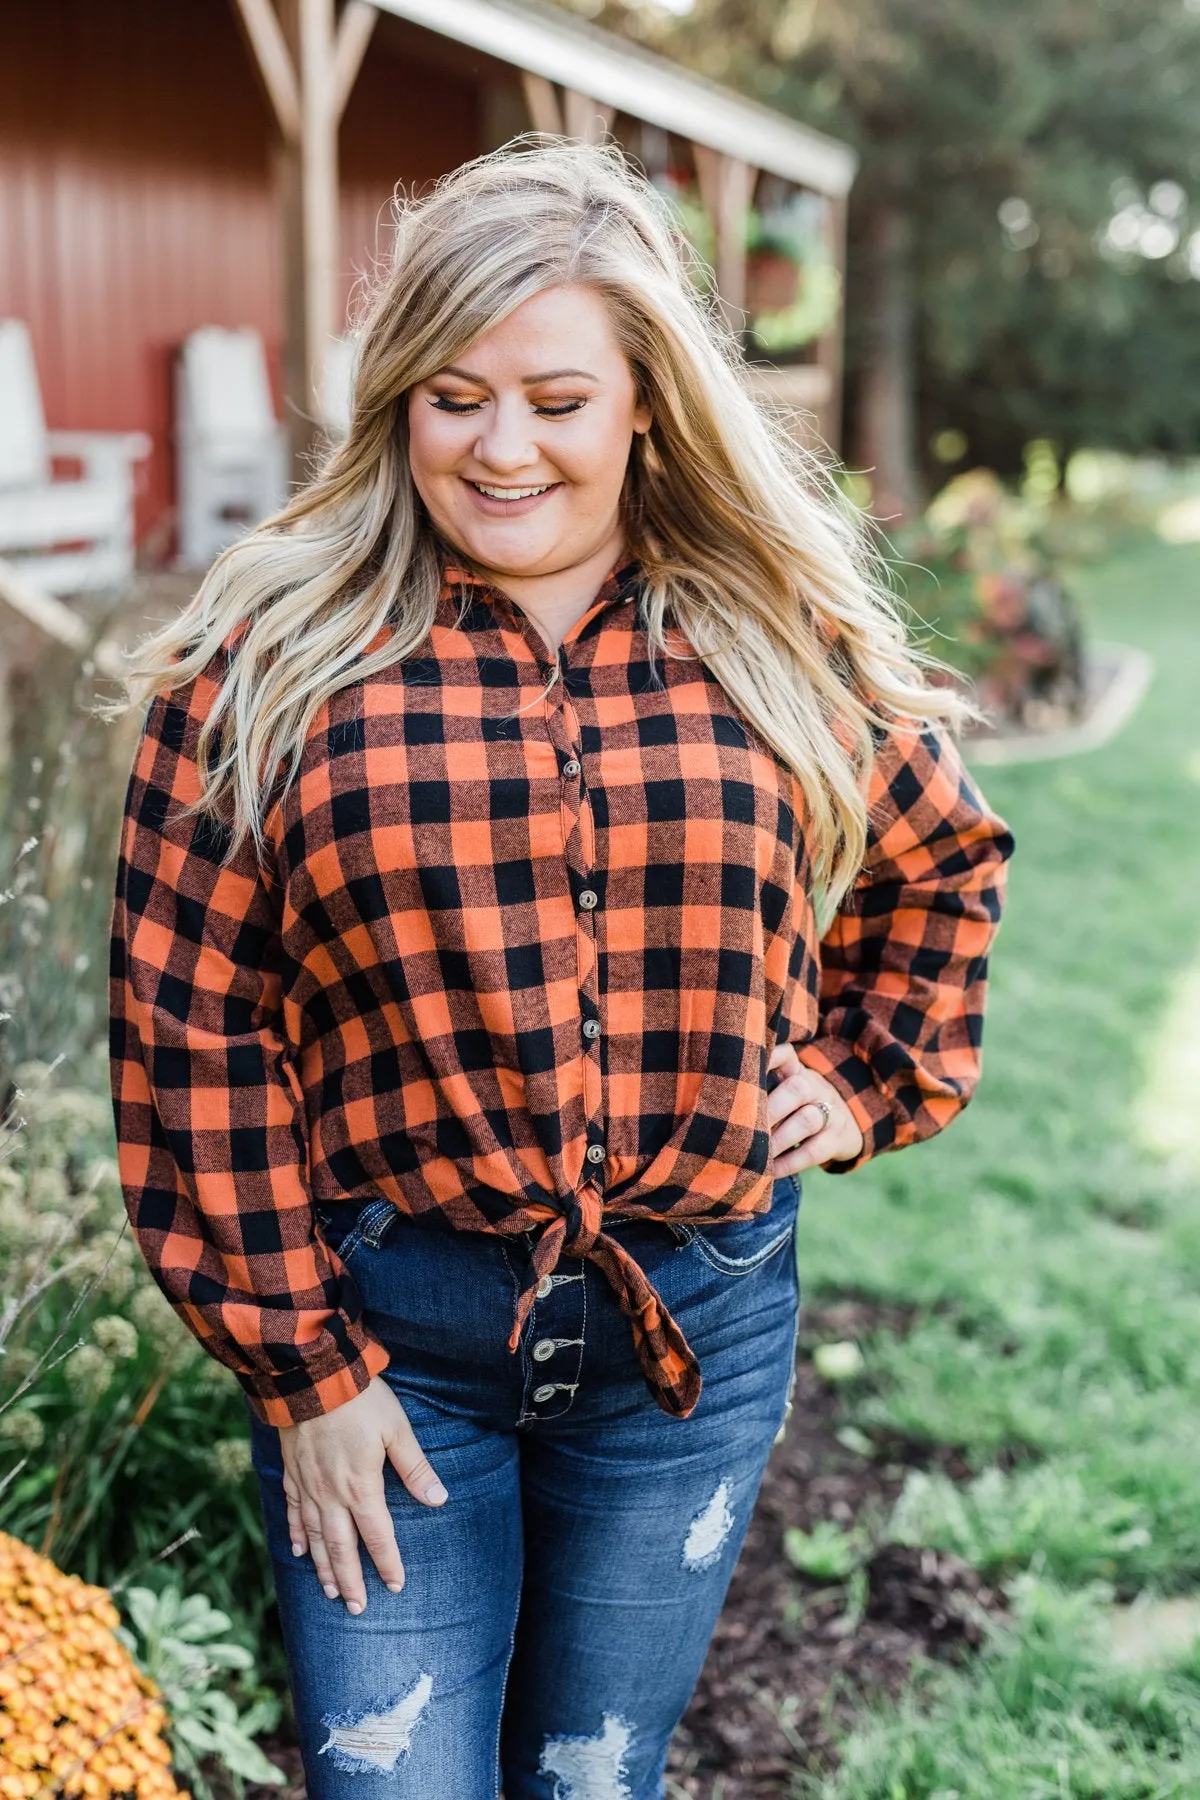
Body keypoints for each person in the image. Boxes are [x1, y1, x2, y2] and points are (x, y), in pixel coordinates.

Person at [109, 137, 1013, 1799]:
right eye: (454, 395)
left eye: (555, 396)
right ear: (396, 401)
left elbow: (943, 859)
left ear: (646, 404)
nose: (502, 445)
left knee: (596, 1777)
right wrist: (303, 1377)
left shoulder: (768, 637)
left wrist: (872, 1076)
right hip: (387, 1339)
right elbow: (193, 1036)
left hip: (698, 1329)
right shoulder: (269, 666)